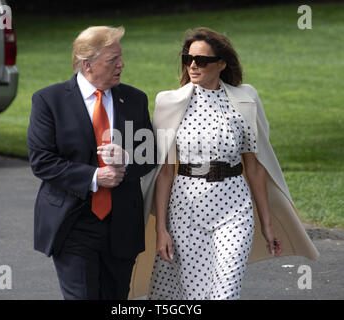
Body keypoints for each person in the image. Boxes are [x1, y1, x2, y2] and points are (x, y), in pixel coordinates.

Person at [131, 27, 319, 300]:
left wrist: (267, 224)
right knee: (196, 294)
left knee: (226, 292)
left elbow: (254, 167)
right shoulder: (168, 102)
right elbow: (164, 173)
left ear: (221, 64)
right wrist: (161, 231)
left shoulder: (246, 99)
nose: (193, 65)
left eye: (202, 60)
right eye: (188, 58)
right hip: (186, 210)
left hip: (235, 208)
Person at [27, 26, 156, 300]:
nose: (121, 64)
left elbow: (150, 155)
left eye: (120, 57)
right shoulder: (49, 101)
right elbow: (42, 161)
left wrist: (127, 159)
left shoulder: (134, 99)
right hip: (73, 221)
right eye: (112, 60)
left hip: (121, 223)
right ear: (87, 64)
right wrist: (95, 177)